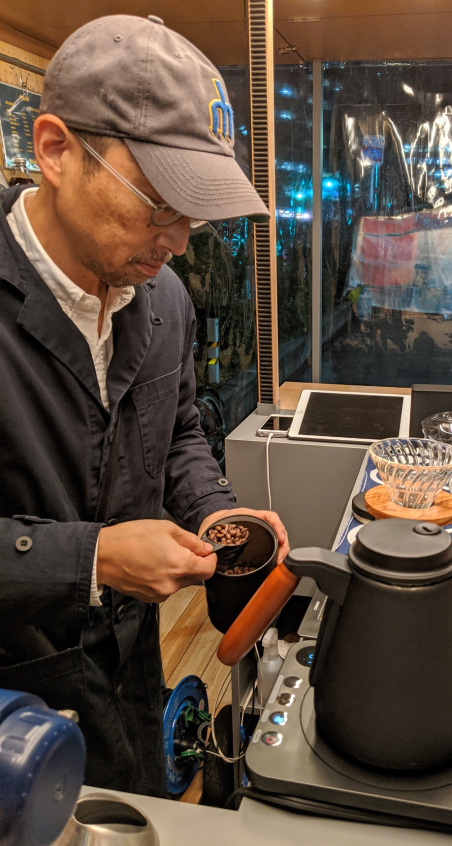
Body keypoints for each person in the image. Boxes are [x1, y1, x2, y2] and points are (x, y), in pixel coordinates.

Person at [0, 14, 290, 797]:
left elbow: (181, 431)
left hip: (131, 667)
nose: (180, 242)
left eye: (193, 214)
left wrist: (218, 515)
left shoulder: (162, 298)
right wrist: (94, 558)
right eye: (160, 204)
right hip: (16, 706)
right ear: (55, 149)